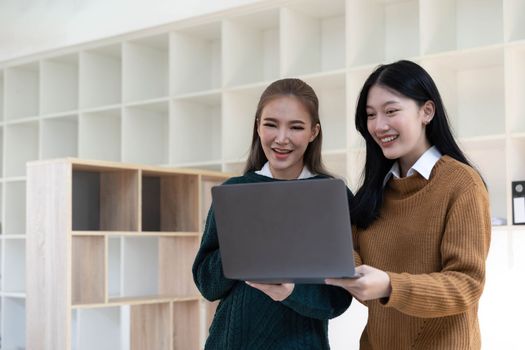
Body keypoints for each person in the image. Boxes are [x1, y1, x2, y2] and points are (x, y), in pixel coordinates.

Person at [325, 60, 491, 349]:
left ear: (426, 111)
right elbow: (351, 258)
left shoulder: (462, 185)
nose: (379, 125)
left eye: (391, 111)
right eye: (370, 115)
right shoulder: (374, 191)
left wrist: (391, 285)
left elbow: (466, 285)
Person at [192, 78, 353, 349]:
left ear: (314, 132)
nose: (281, 138)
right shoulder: (235, 192)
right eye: (271, 124)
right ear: (257, 127)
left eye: (296, 127)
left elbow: (338, 298)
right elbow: (207, 284)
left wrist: (292, 291)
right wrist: (243, 245)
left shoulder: (330, 195)